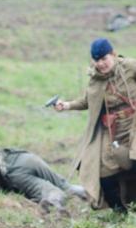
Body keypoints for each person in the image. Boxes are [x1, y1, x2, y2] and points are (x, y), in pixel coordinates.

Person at [54, 38, 136, 212]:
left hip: (133, 124)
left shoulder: (129, 67)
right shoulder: (96, 80)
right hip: (111, 130)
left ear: (113, 54)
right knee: (101, 170)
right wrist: (67, 105)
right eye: (96, 60)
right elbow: (87, 101)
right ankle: (119, 209)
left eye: (104, 59)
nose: (101, 64)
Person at [0, 144, 87, 213]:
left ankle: (54, 203)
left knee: (50, 191)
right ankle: (93, 193)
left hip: (16, 174)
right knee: (65, 185)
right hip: (26, 158)